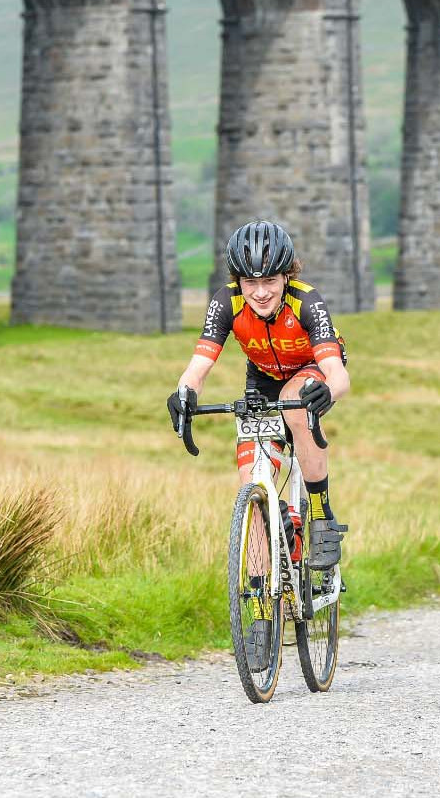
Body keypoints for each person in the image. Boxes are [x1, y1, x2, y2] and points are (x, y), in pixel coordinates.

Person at [168, 220, 350, 671]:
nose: (261, 292)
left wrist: (329, 390)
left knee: (293, 405)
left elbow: (340, 373)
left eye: (270, 281)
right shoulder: (226, 303)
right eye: (252, 282)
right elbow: (198, 365)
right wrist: (185, 393)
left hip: (310, 373)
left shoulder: (307, 302)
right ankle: (262, 609)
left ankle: (322, 514)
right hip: (261, 380)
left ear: (286, 275)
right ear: (238, 280)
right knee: (250, 480)